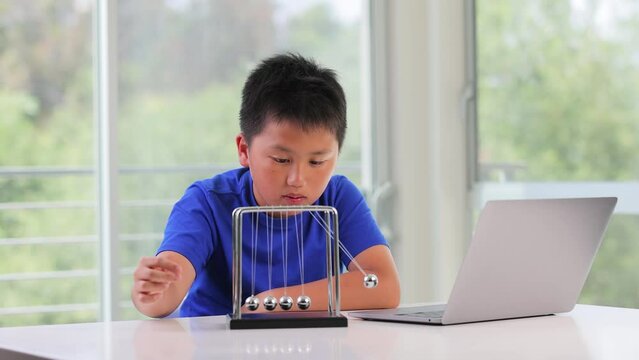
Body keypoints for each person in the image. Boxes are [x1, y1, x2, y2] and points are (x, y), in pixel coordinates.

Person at [131, 53, 400, 318]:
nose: (297, 179)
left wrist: (272, 301)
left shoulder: (339, 196)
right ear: (245, 150)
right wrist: (152, 290)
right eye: (281, 159)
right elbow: (164, 294)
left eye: (317, 162)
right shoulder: (207, 202)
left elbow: (384, 287)